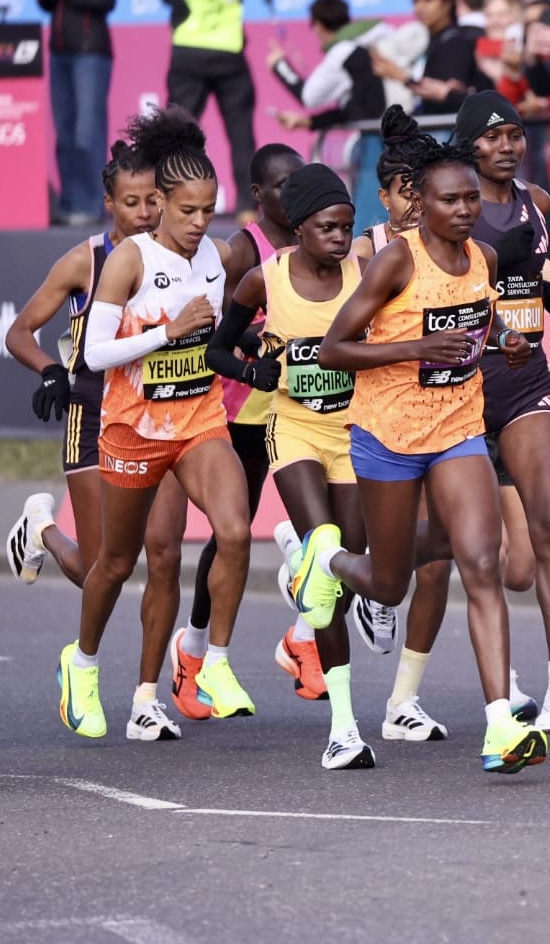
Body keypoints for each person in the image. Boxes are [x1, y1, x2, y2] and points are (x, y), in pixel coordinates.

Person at [290, 136, 548, 774]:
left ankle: (499, 728)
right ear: (420, 204)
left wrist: (509, 343)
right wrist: (411, 352)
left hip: (458, 429)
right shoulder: (394, 263)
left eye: (469, 199)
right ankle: (327, 561)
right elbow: (333, 349)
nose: (464, 210)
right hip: (387, 438)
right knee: (389, 581)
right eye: (449, 200)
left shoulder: (482, 257)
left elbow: (481, 323)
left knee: (481, 561)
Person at [60, 107, 257, 739]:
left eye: (210, 209)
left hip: (199, 419)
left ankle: (201, 669)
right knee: (117, 565)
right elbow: (93, 356)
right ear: (161, 203)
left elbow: (227, 328)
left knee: (233, 529)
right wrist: (166, 332)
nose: (201, 224)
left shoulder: (219, 256)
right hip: (133, 428)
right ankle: (82, 664)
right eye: (189, 211)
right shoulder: (130, 262)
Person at [6, 139, 188, 741]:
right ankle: (42, 529)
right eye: (130, 202)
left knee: (164, 556)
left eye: (152, 201)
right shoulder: (85, 260)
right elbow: (20, 331)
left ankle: (146, 699)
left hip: (160, 419)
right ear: (108, 203)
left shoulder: (176, 255)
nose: (142, 212)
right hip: (94, 419)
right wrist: (52, 371)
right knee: (103, 567)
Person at [448, 92, 550, 736]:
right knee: (488, 558)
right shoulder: (450, 210)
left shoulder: (535, 203)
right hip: (459, 392)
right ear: (469, 147)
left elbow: (545, 287)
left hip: (525, 384)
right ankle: (505, 686)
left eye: (515, 134)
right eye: (492, 138)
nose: (508, 146)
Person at [206, 164, 373, 767]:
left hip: (353, 433)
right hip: (294, 430)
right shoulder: (264, 280)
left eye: (347, 226)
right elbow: (218, 348)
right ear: (299, 229)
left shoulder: (365, 274)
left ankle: (304, 572)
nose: (339, 237)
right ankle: (345, 728)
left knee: (348, 567)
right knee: (328, 546)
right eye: (328, 226)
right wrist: (254, 369)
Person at [165, 144, 305, 723]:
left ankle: (304, 639)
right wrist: (257, 347)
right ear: (257, 195)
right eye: (281, 186)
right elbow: (223, 332)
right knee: (233, 536)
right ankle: (194, 650)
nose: (292, 195)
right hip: (244, 409)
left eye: (299, 183)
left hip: (301, 408)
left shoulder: (319, 237)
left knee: (326, 529)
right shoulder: (244, 249)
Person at [348, 107, 453, 743]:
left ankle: (403, 702)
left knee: (441, 558)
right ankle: (349, 574)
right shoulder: (369, 249)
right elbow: (350, 334)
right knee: (390, 572)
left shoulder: (458, 246)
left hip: (448, 414)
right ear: (385, 196)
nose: (416, 205)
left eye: (426, 192)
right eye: (405, 194)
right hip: (378, 418)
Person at [154, 0, 257, 218]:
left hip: (189, 57)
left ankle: (170, 203)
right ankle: (248, 206)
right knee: (241, 134)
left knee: (175, 135)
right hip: (229, 56)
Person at [265, 0, 389, 234]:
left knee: (371, 214)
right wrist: (308, 122)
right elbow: (354, 106)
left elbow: (309, 97)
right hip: (389, 134)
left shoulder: (343, 52)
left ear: (319, 25)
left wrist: (280, 66)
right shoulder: (369, 39)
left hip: (375, 141)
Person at [30, 0, 117, 227]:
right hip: (59, 51)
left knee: (87, 132)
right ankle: (69, 203)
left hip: (90, 52)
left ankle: (93, 205)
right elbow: (55, 6)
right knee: (64, 132)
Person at [370, 0, 489, 115]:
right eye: (415, 1)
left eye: (428, 0)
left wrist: (399, 76)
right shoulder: (423, 41)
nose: (419, 8)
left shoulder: (456, 42)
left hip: (444, 131)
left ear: (448, 2)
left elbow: (447, 99)